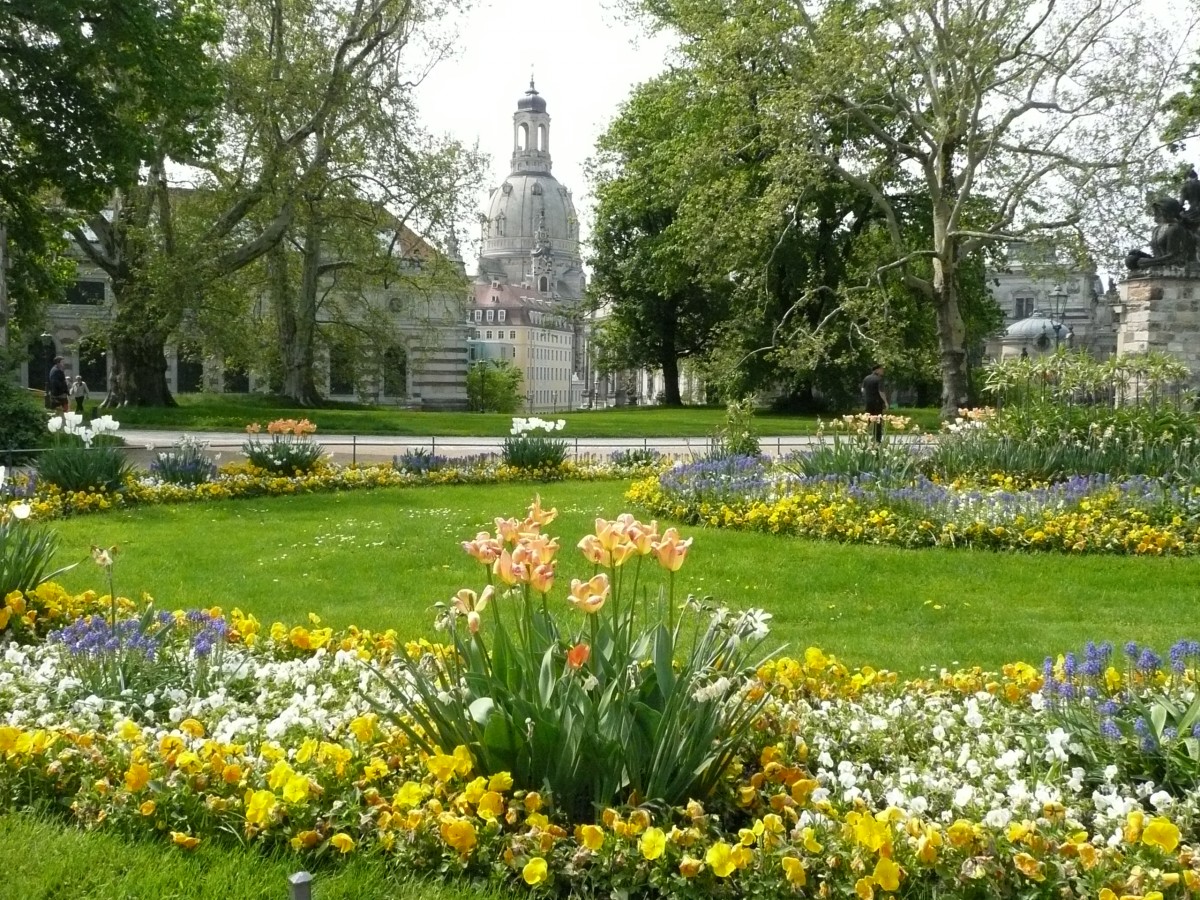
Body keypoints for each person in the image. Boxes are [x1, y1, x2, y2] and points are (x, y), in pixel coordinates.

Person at [861, 363, 888, 443]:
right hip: (877, 402)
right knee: (878, 420)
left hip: (868, 402)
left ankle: (864, 437)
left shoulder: (866, 378)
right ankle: (877, 439)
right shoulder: (879, 379)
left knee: (868, 419)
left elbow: (862, 389)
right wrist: (886, 402)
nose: (883, 371)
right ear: (877, 370)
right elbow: (881, 392)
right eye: (881, 369)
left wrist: (867, 396)